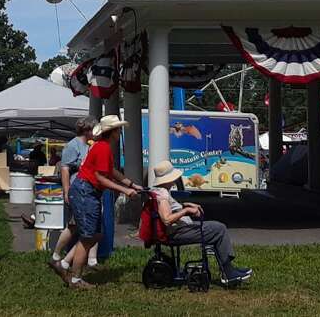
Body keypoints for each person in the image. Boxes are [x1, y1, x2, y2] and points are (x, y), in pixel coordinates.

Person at [58, 115, 140, 289]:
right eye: (119, 129)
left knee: (95, 235)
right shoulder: (103, 148)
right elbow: (100, 178)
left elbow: (111, 171)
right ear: (112, 132)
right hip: (85, 192)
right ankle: (75, 279)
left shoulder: (101, 147)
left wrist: (131, 184)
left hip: (86, 191)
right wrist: (125, 190)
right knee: (88, 237)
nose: (120, 132)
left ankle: (64, 265)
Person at [148, 160, 252, 286]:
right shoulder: (162, 194)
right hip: (178, 232)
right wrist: (186, 211)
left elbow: (170, 209)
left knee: (216, 228)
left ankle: (228, 268)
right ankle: (228, 272)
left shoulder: (159, 191)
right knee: (219, 229)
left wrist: (185, 205)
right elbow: (167, 218)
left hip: (180, 229)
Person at [49, 116, 97, 273]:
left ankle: (85, 259)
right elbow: (65, 169)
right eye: (94, 129)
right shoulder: (72, 146)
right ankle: (56, 256)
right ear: (87, 130)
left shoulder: (89, 145)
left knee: (83, 226)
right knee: (73, 225)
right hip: (77, 190)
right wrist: (66, 191)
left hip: (87, 191)